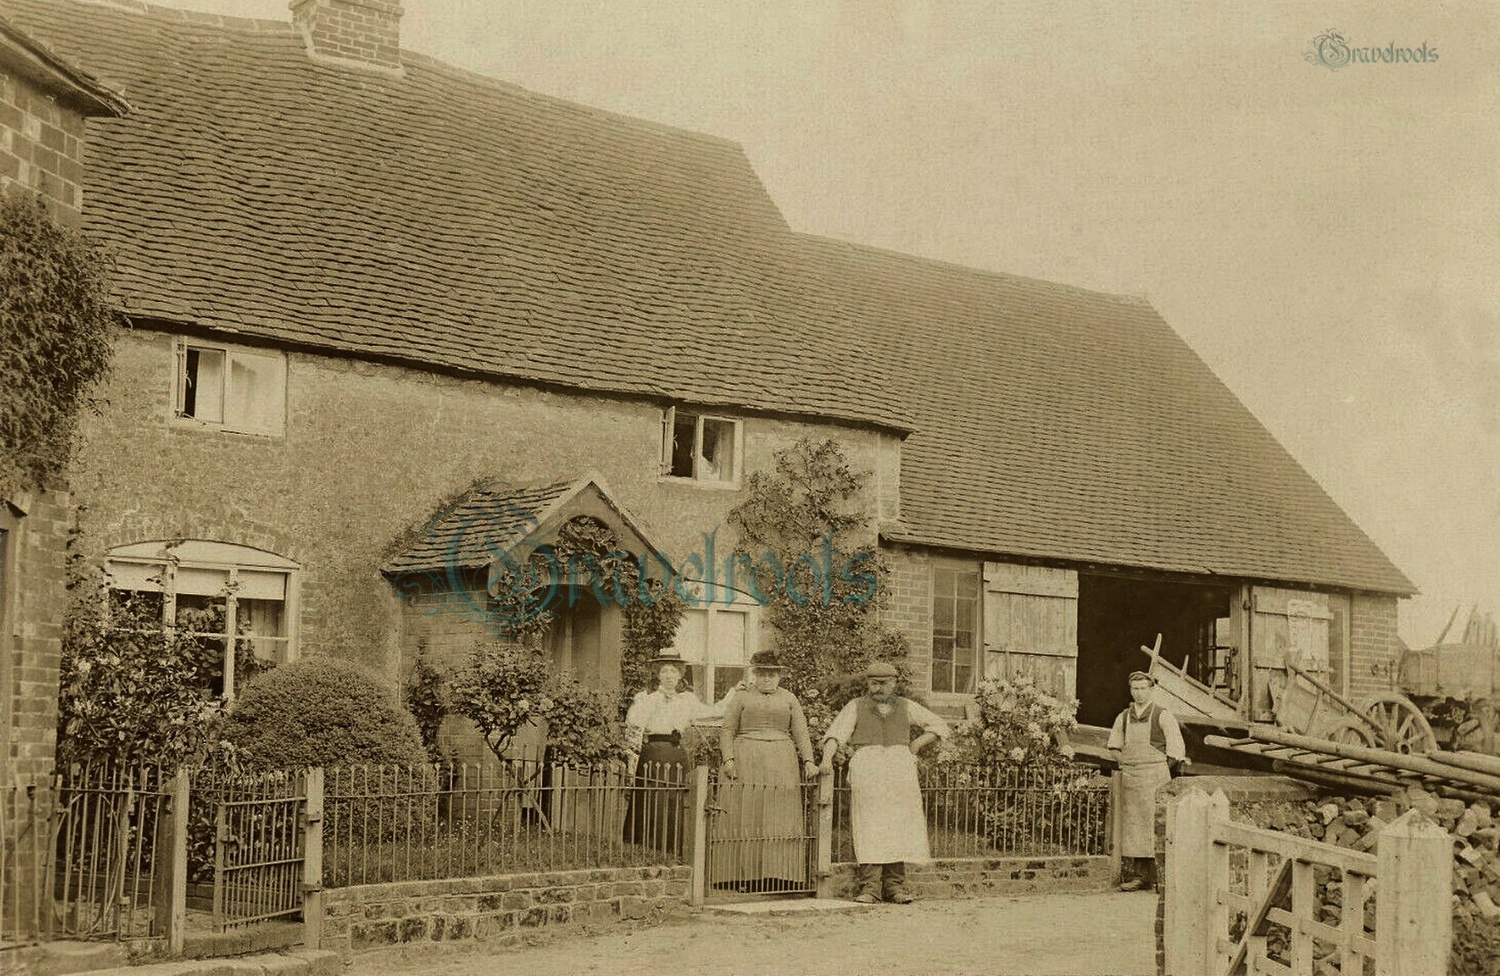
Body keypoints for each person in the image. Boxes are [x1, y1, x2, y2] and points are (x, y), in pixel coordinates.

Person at [819, 660, 949, 904]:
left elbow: (939, 725)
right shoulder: (856, 706)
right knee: (869, 825)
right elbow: (835, 734)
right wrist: (826, 760)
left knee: (898, 825)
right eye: (873, 683)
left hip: (899, 770)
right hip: (868, 769)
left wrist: (916, 744)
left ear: (894, 683)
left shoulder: (906, 706)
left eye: (884, 683)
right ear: (868, 683)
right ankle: (870, 888)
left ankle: (895, 888)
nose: (878, 688)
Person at [714, 650, 819, 892]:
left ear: (779, 676)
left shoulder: (790, 698)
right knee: (746, 813)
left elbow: (801, 732)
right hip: (746, 757)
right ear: (755, 675)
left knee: (778, 815)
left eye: (772, 675)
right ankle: (740, 877)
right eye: (762, 674)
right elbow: (727, 730)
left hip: (782, 760)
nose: (767, 679)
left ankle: (780, 875)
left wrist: (809, 761)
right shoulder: (741, 697)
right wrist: (728, 758)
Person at [623, 652, 727, 853]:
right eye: (664, 671)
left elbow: (712, 711)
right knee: (650, 799)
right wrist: (631, 765)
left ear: (680, 675)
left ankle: (670, 850)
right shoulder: (646, 699)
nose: (669, 675)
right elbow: (634, 729)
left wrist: (733, 694)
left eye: (673, 671)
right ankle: (644, 848)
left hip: (676, 754)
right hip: (652, 754)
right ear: (658, 675)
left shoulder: (687, 700)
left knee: (672, 802)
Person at [1107, 670, 1189, 892]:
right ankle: (1141, 877)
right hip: (1131, 780)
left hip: (1155, 778)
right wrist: (1124, 762)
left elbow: (1176, 750)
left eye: (1143, 688)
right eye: (1135, 689)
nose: (1139, 693)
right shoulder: (1123, 717)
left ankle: (1161, 878)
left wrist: (1159, 768)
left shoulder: (1163, 715)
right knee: (1134, 827)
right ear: (1130, 690)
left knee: (1157, 824)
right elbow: (1114, 745)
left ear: (1151, 690)